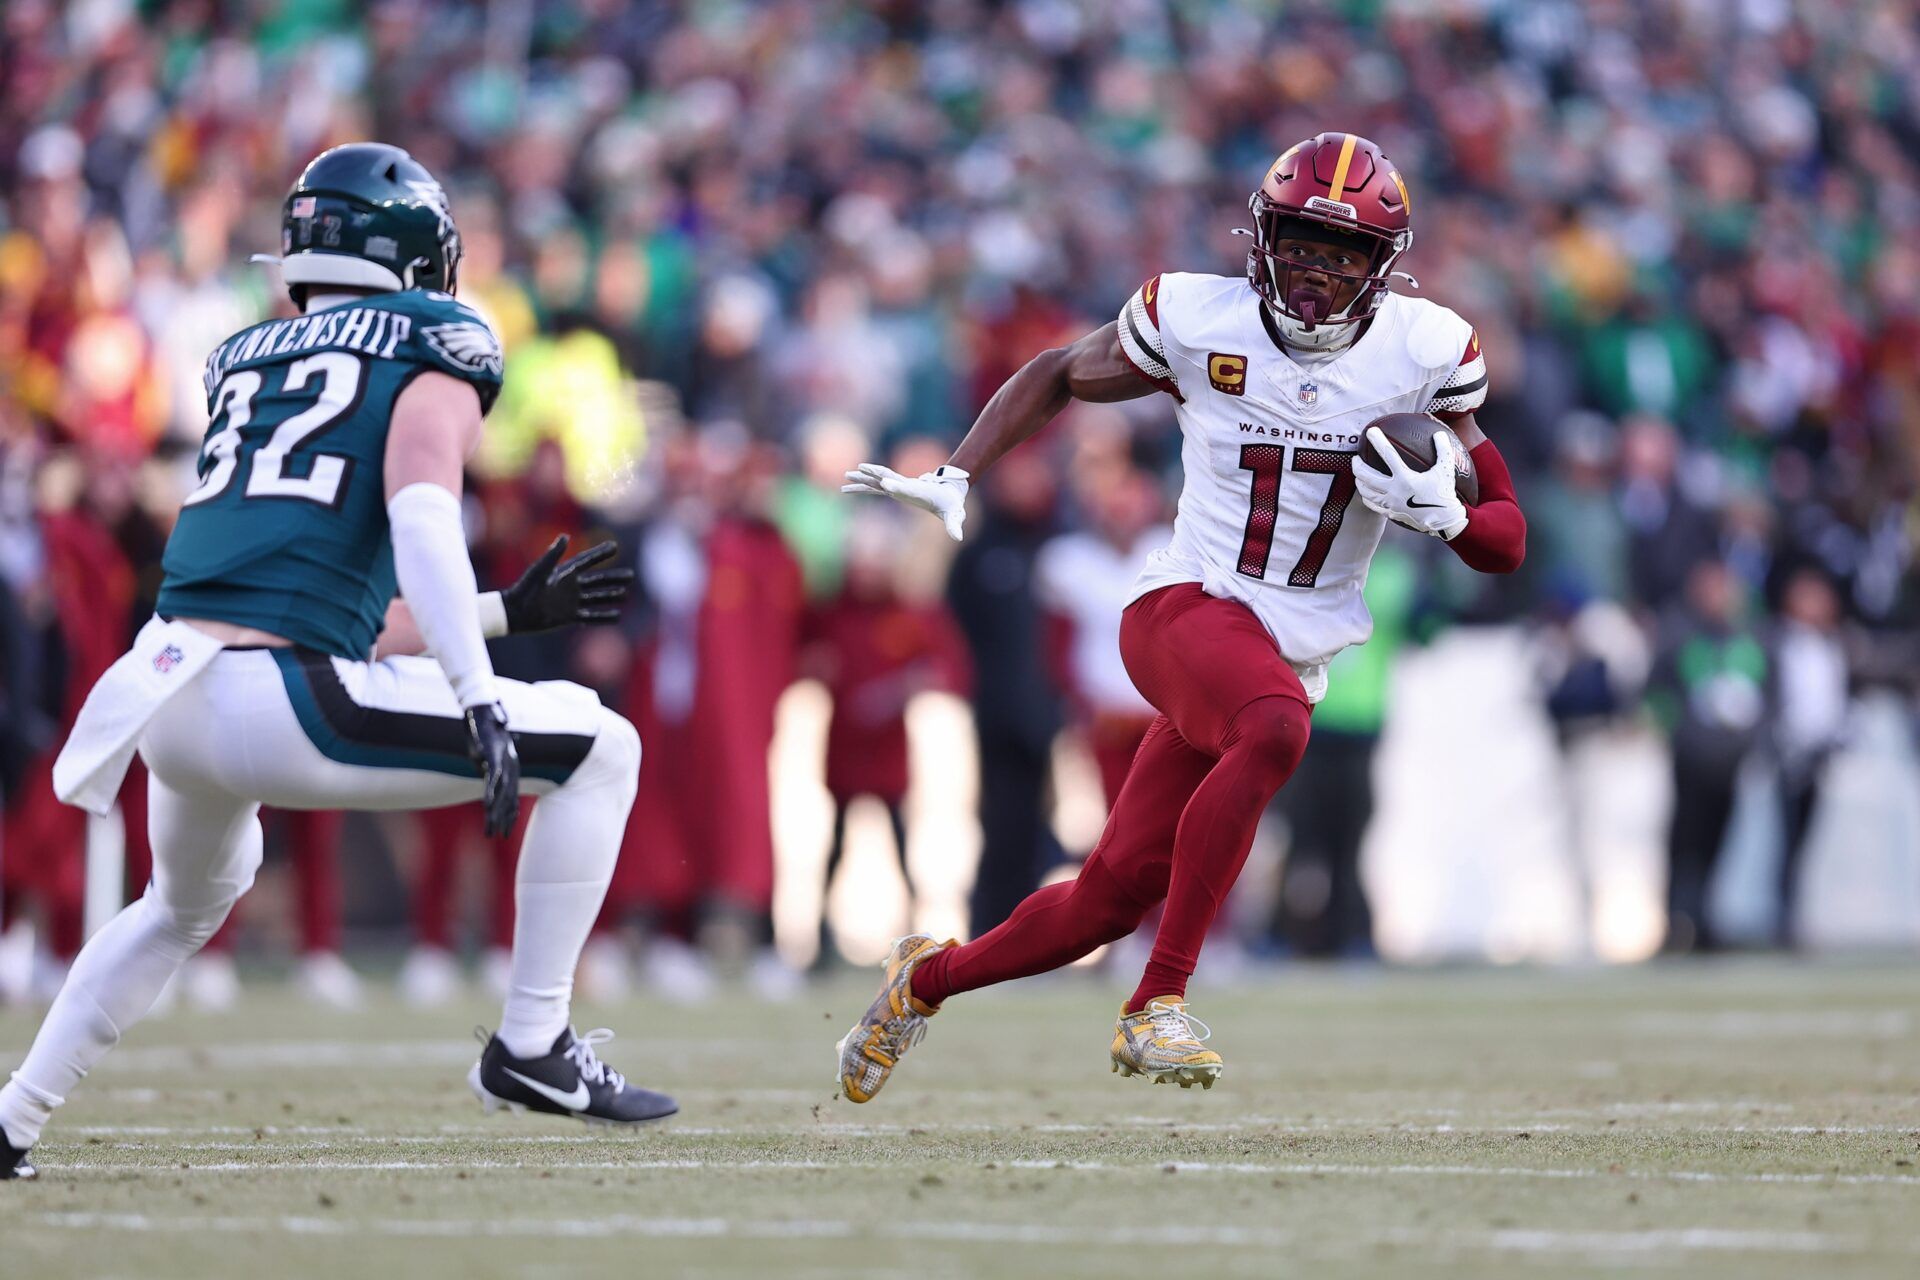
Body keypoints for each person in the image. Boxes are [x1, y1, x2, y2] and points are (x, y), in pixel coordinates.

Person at [0, 144, 671, 1182]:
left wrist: (496, 614)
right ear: (418, 256)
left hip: (173, 687)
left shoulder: (247, 356)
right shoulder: (437, 339)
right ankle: (532, 1043)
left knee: (181, 902)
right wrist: (477, 692)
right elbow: (421, 515)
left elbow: (321, 605)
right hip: (280, 701)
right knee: (603, 745)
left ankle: (10, 1119)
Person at [837, 132, 1526, 1098]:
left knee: (1104, 901)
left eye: (1342, 253)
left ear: (1382, 268)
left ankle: (925, 981)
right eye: (1298, 241)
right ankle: (1156, 1004)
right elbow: (1062, 371)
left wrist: (1450, 516)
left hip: (1285, 648)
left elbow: (1507, 538)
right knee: (1276, 728)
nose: (1315, 271)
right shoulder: (1203, 318)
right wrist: (959, 473)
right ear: (1262, 234)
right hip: (1185, 606)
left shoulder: (1425, 353)